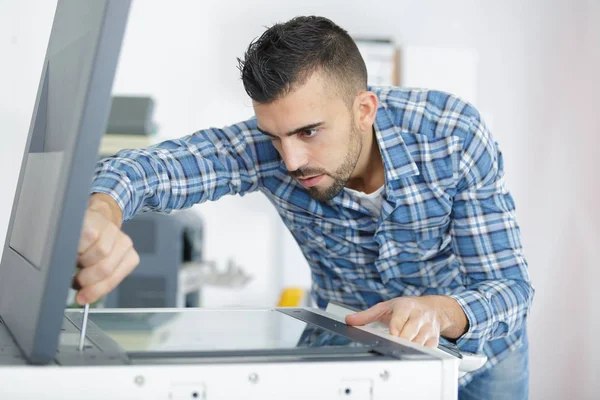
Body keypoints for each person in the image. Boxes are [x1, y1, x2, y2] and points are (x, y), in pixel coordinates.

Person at [75, 16, 533, 398]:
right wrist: (102, 211)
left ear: (364, 110)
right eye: (275, 136)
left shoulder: (451, 134)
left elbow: (510, 287)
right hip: (360, 356)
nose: (290, 160)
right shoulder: (270, 150)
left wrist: (439, 311)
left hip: (484, 351)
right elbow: (151, 168)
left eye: (309, 132)